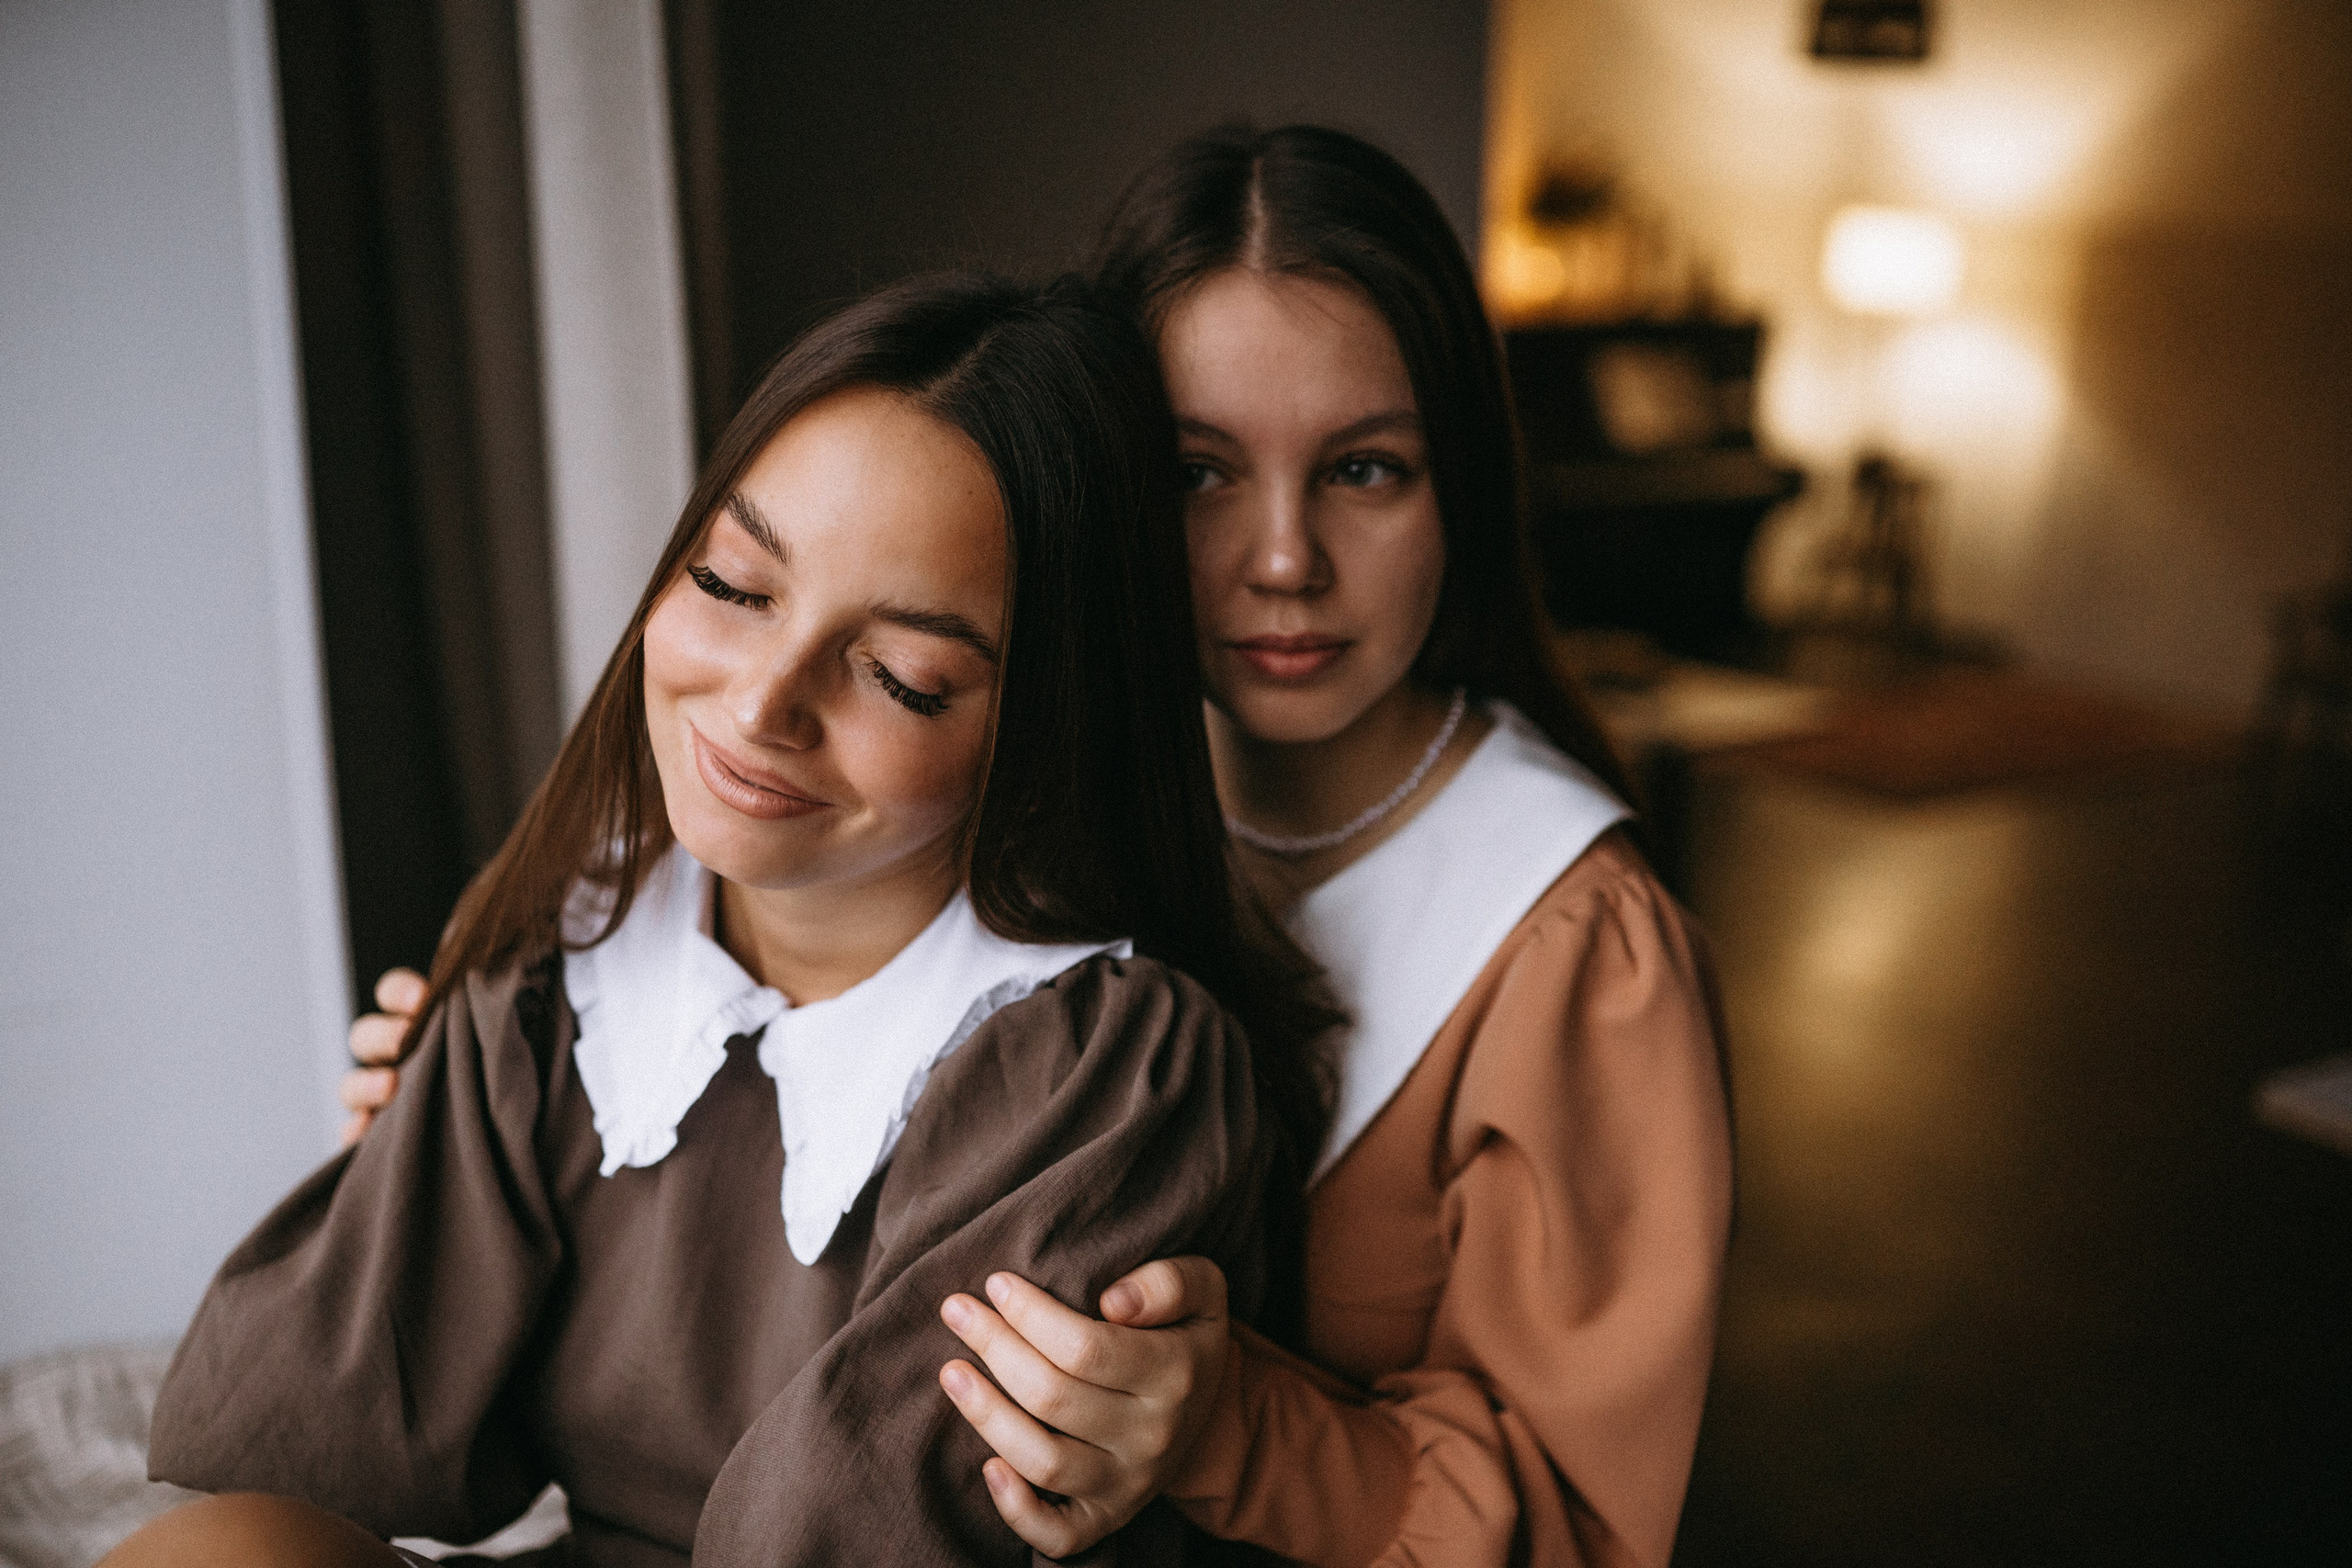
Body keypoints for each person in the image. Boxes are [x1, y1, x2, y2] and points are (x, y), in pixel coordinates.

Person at [348, 127, 1736, 1568]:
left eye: (1367, 471)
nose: (1282, 558)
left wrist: (1220, 1427)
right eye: (1199, 472)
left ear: (1466, 484)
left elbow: (1581, 1530)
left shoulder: (1576, 950)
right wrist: (491, 1135)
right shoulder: (978, 779)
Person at [108, 275, 1328, 1568]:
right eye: (734, 583)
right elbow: (321, 1426)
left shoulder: (1102, 1063)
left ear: (1039, 729)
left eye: (902, 677)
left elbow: (863, 1529)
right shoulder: (571, 952)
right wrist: (412, 1146)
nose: (759, 706)